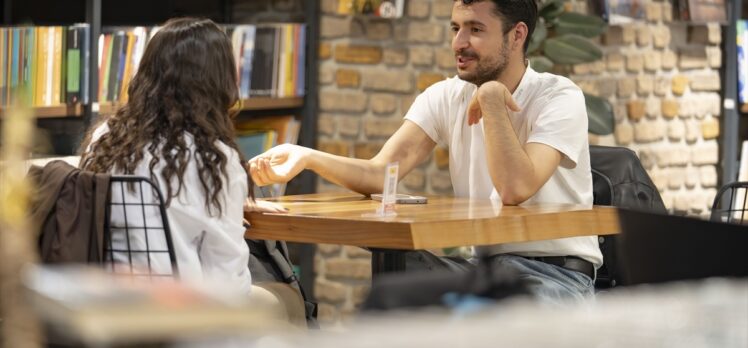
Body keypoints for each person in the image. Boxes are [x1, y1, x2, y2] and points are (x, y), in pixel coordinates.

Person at [248, 0, 602, 302]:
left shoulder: (559, 96)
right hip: (487, 272)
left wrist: (492, 98)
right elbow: (380, 174)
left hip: (555, 277)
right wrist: (306, 156)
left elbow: (515, 188)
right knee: (397, 284)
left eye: (476, 29)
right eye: (455, 28)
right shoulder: (446, 96)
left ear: (517, 35)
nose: (459, 43)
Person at [79, 18, 285, 295]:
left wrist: (232, 204)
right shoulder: (214, 160)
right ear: (219, 81)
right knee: (288, 298)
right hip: (181, 315)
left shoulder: (104, 137)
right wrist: (227, 204)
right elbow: (229, 288)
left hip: (105, 301)